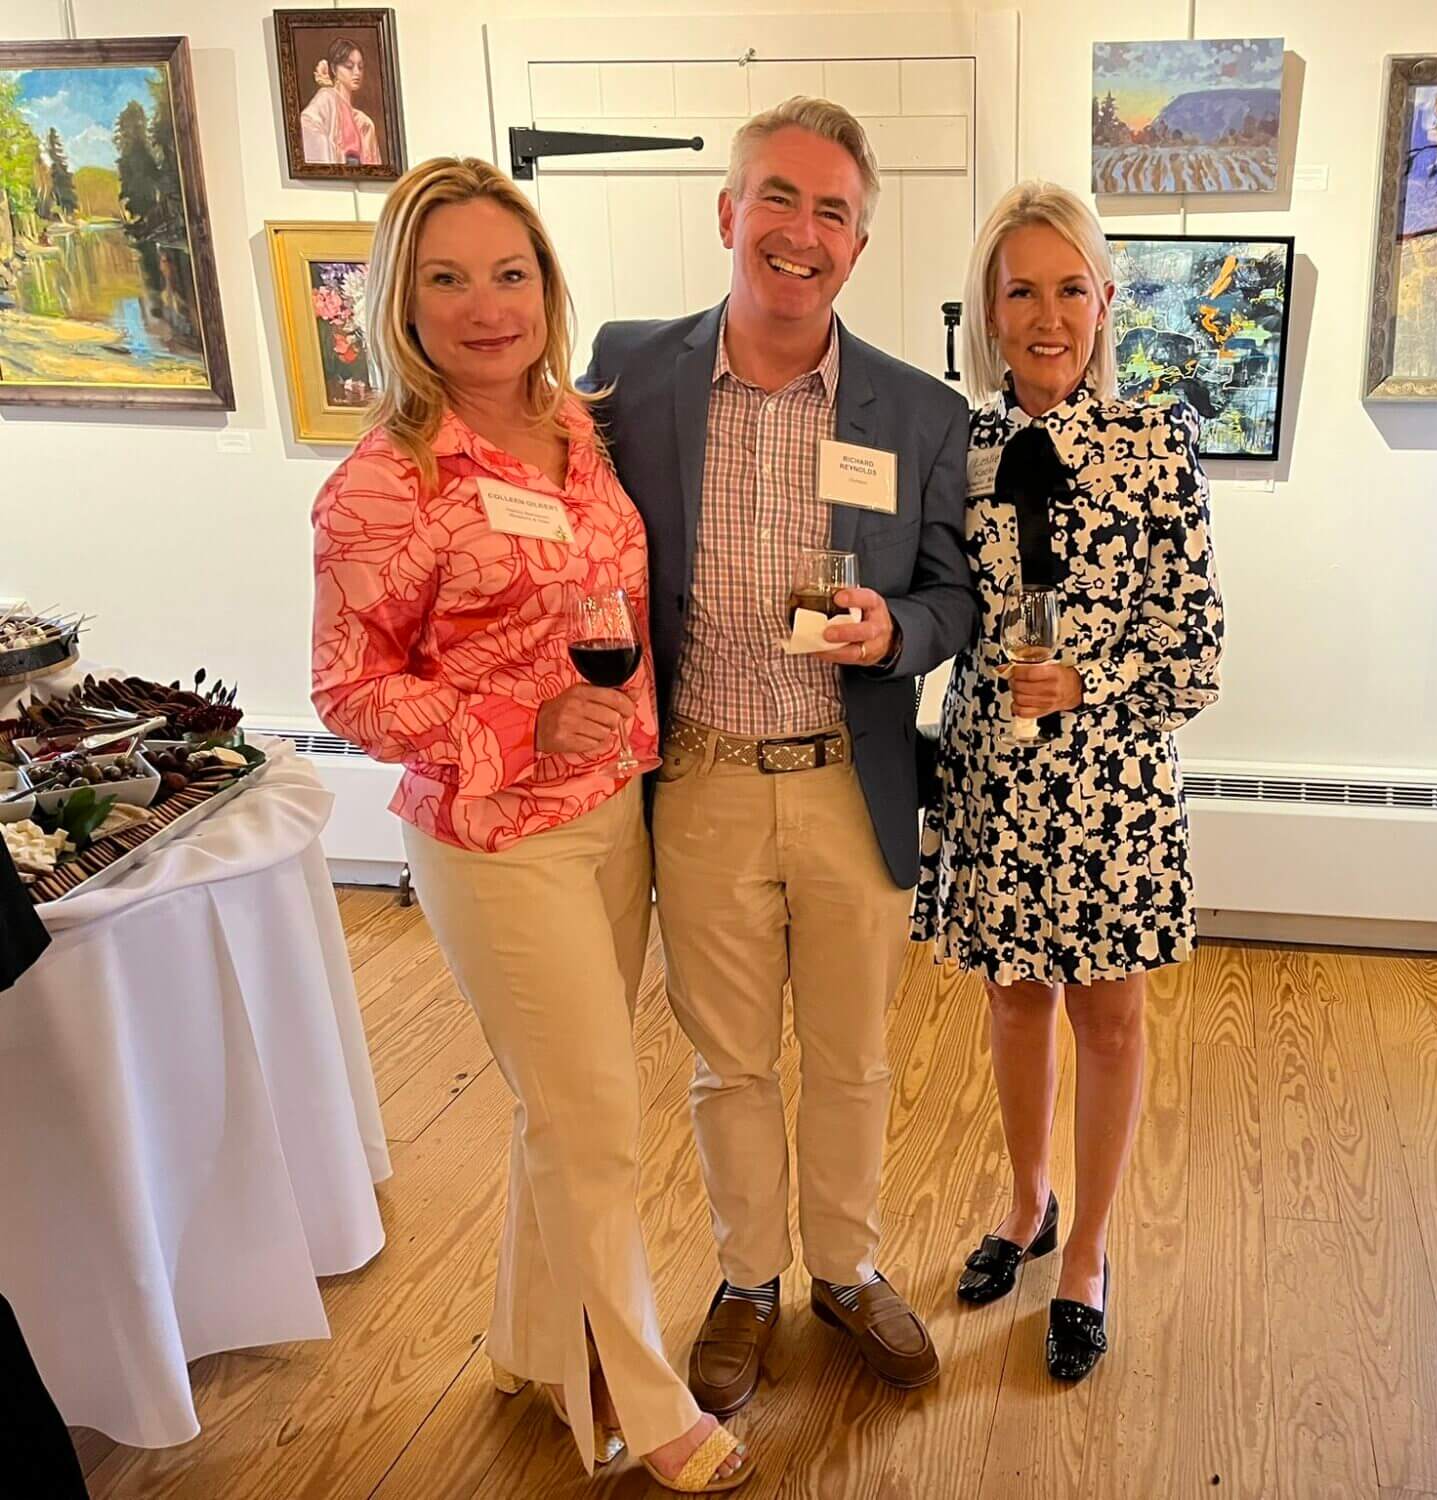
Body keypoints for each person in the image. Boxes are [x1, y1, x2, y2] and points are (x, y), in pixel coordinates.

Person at [310, 157, 749, 1494]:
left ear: (546, 289)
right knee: (600, 1119)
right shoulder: (380, 485)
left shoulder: (580, 429)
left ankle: (522, 1340)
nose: (485, 305)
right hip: (494, 839)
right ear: (402, 299)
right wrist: (509, 729)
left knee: (557, 1107)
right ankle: (637, 1395)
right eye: (447, 277)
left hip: (612, 814)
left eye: (510, 273)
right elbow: (346, 690)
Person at [581, 97, 976, 1415]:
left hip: (845, 782)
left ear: (859, 245)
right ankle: (748, 1278)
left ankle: (847, 1270)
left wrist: (899, 629)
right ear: (728, 212)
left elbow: (954, 595)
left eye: (834, 214)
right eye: (780, 199)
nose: (802, 235)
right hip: (693, 778)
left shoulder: (916, 411)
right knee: (729, 1061)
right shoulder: (629, 374)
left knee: (854, 1056)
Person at [914, 180, 1223, 1383]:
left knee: (1107, 1013)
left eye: (1069, 288)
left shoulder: (1157, 440)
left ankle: (1087, 1252)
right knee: (1009, 1000)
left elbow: (1195, 650)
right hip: (995, 772)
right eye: (1019, 290)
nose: (1046, 316)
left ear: (1105, 301)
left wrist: (1088, 682)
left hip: (1114, 784)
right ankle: (1025, 1203)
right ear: (990, 311)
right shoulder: (961, 447)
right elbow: (943, 605)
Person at [299, 38, 382, 167]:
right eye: (349, 66)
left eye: (360, 67)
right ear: (333, 69)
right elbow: (307, 122)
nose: (357, 72)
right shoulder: (327, 98)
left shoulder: (365, 122)